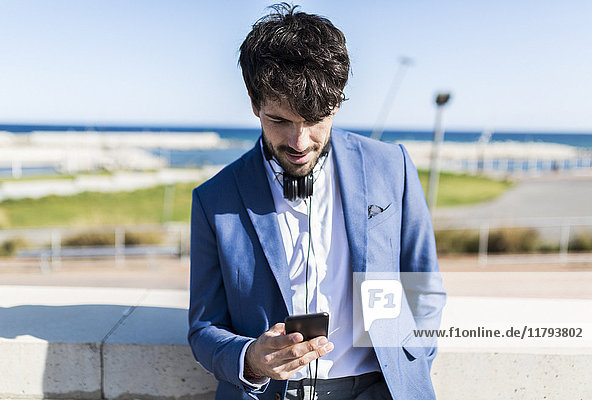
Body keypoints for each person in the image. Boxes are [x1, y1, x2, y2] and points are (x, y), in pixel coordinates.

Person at [187, 4, 446, 399]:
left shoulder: (393, 166)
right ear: (254, 104)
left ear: (338, 102)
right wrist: (250, 360)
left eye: (315, 119)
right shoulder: (212, 199)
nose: (299, 142)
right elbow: (204, 329)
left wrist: (412, 364)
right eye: (280, 121)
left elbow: (422, 286)